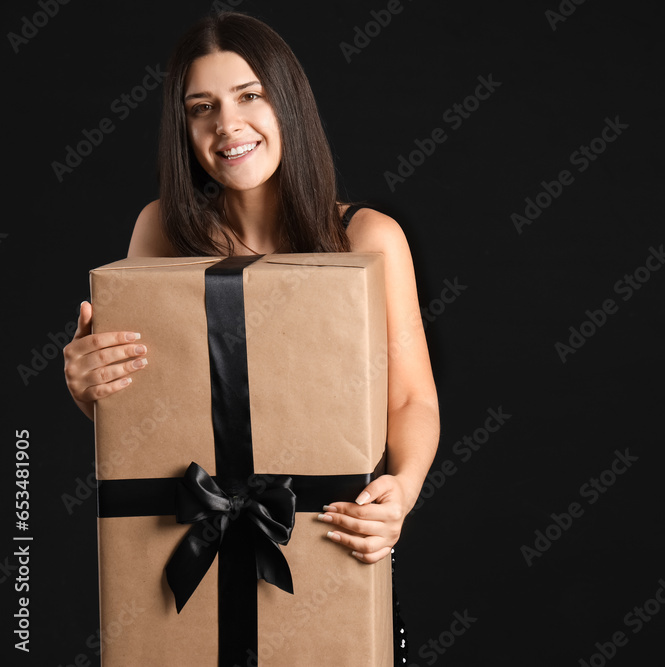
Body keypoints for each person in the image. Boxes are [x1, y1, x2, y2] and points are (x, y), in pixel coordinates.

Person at [62, 11, 438, 663]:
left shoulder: (369, 240)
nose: (227, 126)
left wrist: (400, 491)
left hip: (331, 553)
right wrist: (85, 384)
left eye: (249, 96)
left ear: (287, 102)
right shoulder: (161, 233)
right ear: (184, 129)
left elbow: (411, 401)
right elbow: (138, 411)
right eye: (201, 108)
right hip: (188, 563)